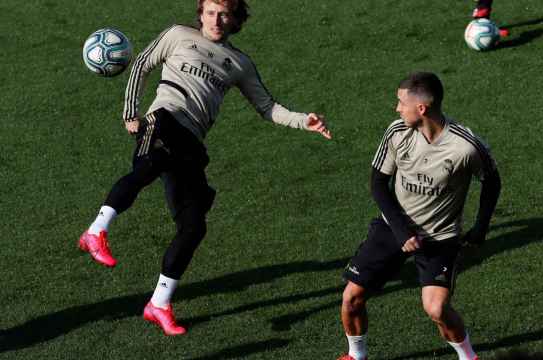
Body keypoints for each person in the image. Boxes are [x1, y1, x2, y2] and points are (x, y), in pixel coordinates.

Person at [77, 0, 331, 336]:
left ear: (235, 18)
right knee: (147, 167)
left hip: (192, 145)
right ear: (201, 14)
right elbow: (141, 64)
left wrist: (304, 121)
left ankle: (159, 303)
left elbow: (267, 107)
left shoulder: (239, 63)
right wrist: (130, 113)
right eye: (210, 12)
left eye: (223, 13)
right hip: (163, 120)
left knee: (194, 225)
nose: (215, 19)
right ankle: (96, 231)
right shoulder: (178, 35)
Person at [337, 72, 501, 360]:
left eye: (401, 102)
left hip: (440, 238)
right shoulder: (397, 132)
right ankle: (356, 355)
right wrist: (402, 232)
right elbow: (377, 183)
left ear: (421, 108)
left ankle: (468, 357)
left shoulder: (465, 146)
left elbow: (491, 181)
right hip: (394, 228)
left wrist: (480, 228)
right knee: (351, 298)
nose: (397, 108)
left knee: (436, 309)